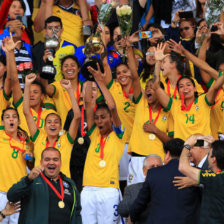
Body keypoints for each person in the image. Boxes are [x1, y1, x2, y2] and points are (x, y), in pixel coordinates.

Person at [81, 64, 125, 224]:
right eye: (97, 117)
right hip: (88, 189)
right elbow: (88, 104)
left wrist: (100, 81)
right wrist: (87, 78)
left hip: (109, 189)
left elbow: (112, 107)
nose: (99, 120)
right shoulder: (93, 134)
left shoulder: (118, 135)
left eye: (103, 117)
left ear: (111, 119)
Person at [153, 43, 224, 141]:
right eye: (181, 86)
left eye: (188, 85)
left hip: (203, 148)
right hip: (184, 150)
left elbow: (216, 87)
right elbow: (156, 87)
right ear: (178, 91)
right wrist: (158, 62)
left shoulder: (203, 101)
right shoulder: (174, 105)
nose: (185, 88)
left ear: (195, 88)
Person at [126, 41, 173, 185]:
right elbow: (134, 76)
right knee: (135, 199)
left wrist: (156, 131)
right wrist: (129, 47)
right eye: (146, 87)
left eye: (152, 88)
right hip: (138, 159)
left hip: (158, 160)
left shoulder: (168, 112)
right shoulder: (141, 102)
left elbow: (171, 142)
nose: (147, 90)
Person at [130, 138, 200, 224]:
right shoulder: (197, 173)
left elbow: (141, 202)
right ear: (185, 153)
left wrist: (132, 217)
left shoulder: (153, 173)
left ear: (168, 154)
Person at [23, 73, 80, 177]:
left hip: (61, 185)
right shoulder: (38, 138)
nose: (52, 124)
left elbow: (77, 116)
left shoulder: (66, 140)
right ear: (44, 127)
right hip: (41, 184)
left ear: (60, 127)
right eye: (49, 122)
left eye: (56, 122)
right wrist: (27, 85)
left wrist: (70, 90)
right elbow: (26, 112)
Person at [7, 147, 82, 224]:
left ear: (60, 163)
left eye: (55, 159)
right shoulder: (31, 181)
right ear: (41, 162)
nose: (51, 162)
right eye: (47, 159)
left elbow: (76, 214)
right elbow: (11, 196)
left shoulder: (70, 184)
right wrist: (28, 179)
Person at [3, 34, 55, 135]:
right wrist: (11, 52)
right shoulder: (21, 105)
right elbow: (14, 79)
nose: (31, 95)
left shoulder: (50, 114)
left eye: (35, 92)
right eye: (29, 92)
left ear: (42, 96)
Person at [179, 135, 224, 223]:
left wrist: (187, 145)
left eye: (209, 154)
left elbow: (183, 167)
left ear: (213, 160)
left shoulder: (214, 178)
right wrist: (216, 146)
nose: (208, 156)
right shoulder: (217, 176)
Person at [0, 107, 32, 224]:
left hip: (19, 192)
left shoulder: (26, 142)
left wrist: (30, 159)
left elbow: (31, 166)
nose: (11, 120)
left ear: (19, 121)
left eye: (14, 117)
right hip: (1, 192)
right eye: (7, 117)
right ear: (2, 122)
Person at [118, 154, 163, 223]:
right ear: (144, 170)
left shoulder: (169, 187)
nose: (155, 169)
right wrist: (144, 189)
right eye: (152, 167)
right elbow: (123, 211)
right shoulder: (132, 189)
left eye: (158, 167)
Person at [32, 16, 77, 81]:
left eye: (56, 28)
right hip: (46, 87)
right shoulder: (38, 49)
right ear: (45, 31)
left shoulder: (71, 47)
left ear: (62, 30)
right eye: (50, 28)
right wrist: (43, 62)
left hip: (65, 87)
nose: (54, 31)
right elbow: (36, 73)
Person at [41, 55, 81, 127]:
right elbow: (46, 88)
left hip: (83, 130)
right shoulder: (58, 86)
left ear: (78, 69)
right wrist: (46, 65)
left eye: (73, 65)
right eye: (66, 66)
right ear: (62, 71)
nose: (69, 68)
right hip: (64, 133)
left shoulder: (85, 86)